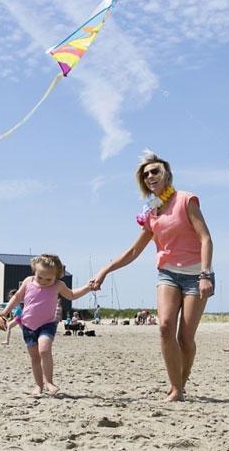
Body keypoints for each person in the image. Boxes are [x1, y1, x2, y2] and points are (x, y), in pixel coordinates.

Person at [90, 151, 215, 402]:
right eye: (145, 175)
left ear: (166, 173)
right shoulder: (151, 212)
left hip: (195, 275)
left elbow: (205, 238)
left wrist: (205, 274)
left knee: (185, 337)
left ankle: (182, 380)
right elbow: (134, 250)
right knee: (165, 327)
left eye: (154, 171)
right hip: (167, 273)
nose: (150, 177)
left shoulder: (186, 200)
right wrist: (105, 270)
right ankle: (176, 388)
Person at [0, 254, 96, 397]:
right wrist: (5, 312)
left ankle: (49, 381)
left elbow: (72, 295)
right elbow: (17, 297)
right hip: (28, 326)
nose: (43, 281)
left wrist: (88, 287)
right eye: (40, 277)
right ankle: (38, 385)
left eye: (48, 279)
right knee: (35, 358)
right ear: (34, 272)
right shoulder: (28, 281)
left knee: (44, 350)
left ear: (56, 276)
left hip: (47, 324)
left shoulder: (58, 285)